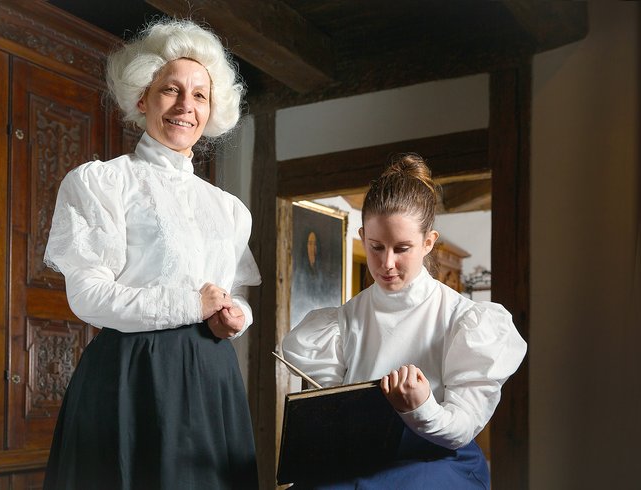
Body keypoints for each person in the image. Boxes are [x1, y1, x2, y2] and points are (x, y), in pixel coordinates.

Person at [42, 19, 261, 490]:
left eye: (199, 95)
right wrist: (189, 305)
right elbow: (88, 295)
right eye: (171, 90)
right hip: (130, 380)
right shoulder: (102, 183)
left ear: (212, 108)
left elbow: (227, 293)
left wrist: (234, 314)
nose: (186, 106)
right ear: (142, 97)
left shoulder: (230, 210)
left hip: (210, 382)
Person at [282, 153, 527, 489]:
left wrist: (421, 407)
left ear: (428, 243)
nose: (387, 263)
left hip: (439, 458)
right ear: (362, 236)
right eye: (376, 247)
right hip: (361, 458)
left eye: (402, 248)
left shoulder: (464, 320)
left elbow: (460, 431)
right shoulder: (339, 325)